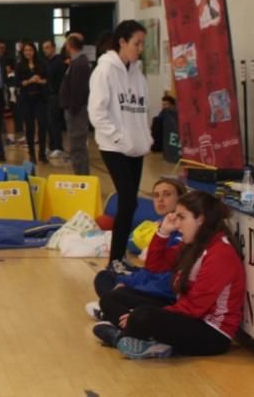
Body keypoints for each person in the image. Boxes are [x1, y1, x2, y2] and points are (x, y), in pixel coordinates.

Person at [92, 190, 245, 360]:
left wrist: (141, 315)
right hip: (187, 315)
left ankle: (125, 337)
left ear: (201, 219)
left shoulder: (220, 254)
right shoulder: (193, 244)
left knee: (143, 316)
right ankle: (143, 339)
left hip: (211, 332)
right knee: (112, 298)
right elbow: (154, 267)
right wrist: (163, 232)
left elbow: (194, 308)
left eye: (182, 217)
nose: (177, 224)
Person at [88, 20, 152, 267]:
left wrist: (145, 137)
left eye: (142, 44)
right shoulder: (104, 71)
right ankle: (115, 259)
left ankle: (119, 257)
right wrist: (118, 137)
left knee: (131, 201)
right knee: (127, 200)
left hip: (136, 147)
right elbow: (97, 112)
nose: (140, 48)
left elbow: (143, 110)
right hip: (114, 147)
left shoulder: (138, 75)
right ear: (122, 42)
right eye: (136, 43)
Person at [87, 177, 187, 317]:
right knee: (104, 277)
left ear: (181, 198)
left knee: (117, 291)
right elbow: (149, 269)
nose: (160, 199)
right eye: (156, 195)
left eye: (167, 194)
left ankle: (112, 311)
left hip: (163, 295)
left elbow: (163, 274)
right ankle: (116, 309)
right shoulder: (162, 225)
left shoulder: (182, 232)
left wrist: (130, 287)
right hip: (150, 284)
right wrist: (125, 282)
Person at [59, 34, 91, 175]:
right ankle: (80, 174)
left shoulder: (80, 63)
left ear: (70, 46)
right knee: (75, 145)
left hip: (77, 112)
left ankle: (82, 177)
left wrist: (73, 108)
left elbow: (79, 90)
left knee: (78, 146)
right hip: (74, 110)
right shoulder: (76, 62)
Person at [16, 42, 49, 163]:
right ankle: (32, 153)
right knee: (29, 126)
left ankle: (42, 153)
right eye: (26, 50)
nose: (28, 52)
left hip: (40, 98)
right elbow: (19, 83)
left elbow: (47, 81)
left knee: (42, 125)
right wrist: (30, 81)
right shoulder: (19, 66)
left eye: (30, 50)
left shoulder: (41, 64)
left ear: (34, 51)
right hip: (26, 99)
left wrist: (39, 80)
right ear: (23, 52)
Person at [43, 40, 67, 159]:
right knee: (49, 123)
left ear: (53, 48)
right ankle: (52, 146)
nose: (45, 50)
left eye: (47, 47)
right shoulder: (48, 62)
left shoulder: (58, 62)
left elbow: (59, 81)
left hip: (56, 95)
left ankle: (58, 147)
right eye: (44, 48)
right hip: (48, 95)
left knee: (55, 122)